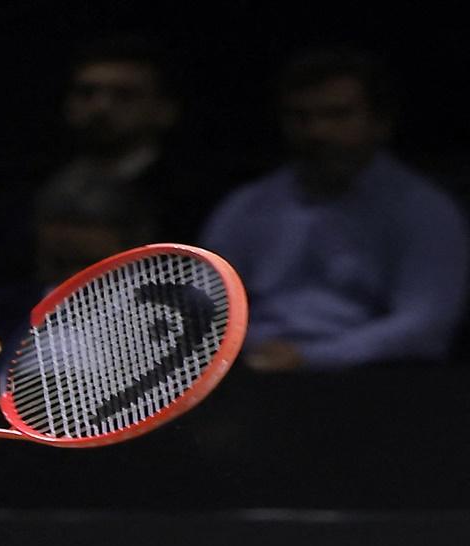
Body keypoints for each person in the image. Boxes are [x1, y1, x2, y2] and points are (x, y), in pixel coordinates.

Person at [200, 48, 469, 370]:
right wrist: (252, 348)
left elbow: (426, 323)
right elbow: (206, 303)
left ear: (380, 123)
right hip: (252, 366)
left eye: (337, 115)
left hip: (373, 379)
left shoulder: (424, 210)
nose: (318, 132)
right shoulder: (246, 205)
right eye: (301, 117)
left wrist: (311, 357)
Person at [32, 34, 219, 247]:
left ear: (165, 110)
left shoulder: (193, 198)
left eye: (124, 95)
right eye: (87, 93)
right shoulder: (33, 185)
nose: (100, 107)